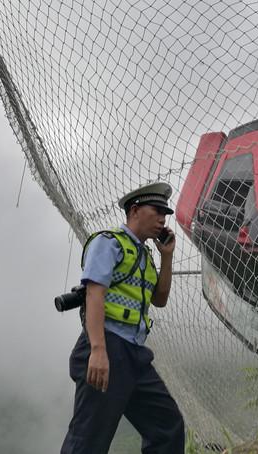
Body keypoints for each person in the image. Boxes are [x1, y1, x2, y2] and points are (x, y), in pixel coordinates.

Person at [61, 182, 185, 454]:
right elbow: (95, 294)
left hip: (134, 354)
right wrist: (98, 350)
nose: (163, 219)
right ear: (136, 210)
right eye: (157, 210)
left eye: (166, 213)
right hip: (106, 346)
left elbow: (160, 299)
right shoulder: (108, 243)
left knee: (167, 425)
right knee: (89, 440)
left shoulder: (145, 255)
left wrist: (167, 257)